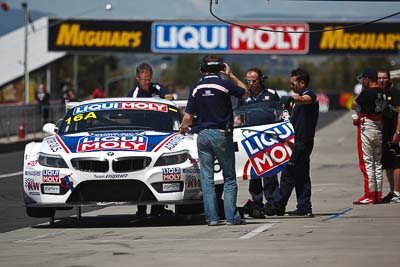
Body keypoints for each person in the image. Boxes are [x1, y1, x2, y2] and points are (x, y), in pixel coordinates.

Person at [179, 55, 249, 226]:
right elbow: (245, 92)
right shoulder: (225, 84)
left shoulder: (196, 87)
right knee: (229, 177)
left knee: (207, 179)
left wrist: (182, 128)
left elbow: (188, 116)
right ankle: (231, 217)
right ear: (220, 68)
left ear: (203, 69)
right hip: (221, 134)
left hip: (202, 136)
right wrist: (231, 75)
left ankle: (212, 218)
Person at [264, 68, 319, 217]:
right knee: (301, 175)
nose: (291, 86)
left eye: (293, 83)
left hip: (302, 142)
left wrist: (292, 98)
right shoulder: (296, 101)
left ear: (302, 83)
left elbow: (305, 100)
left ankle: (277, 205)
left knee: (288, 173)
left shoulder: (309, 95)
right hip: (292, 141)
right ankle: (304, 206)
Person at [128, 62, 174, 217]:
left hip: (159, 135)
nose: (147, 82)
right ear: (137, 78)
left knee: (158, 171)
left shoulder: (158, 88)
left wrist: (164, 97)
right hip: (139, 137)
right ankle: (141, 209)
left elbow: (169, 98)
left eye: (149, 79)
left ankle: (158, 208)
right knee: (141, 171)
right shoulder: (133, 95)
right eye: (144, 80)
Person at [236, 67, 280, 219]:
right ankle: (257, 202)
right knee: (254, 172)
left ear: (261, 79)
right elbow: (239, 117)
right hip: (250, 139)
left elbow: (281, 114)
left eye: (254, 80)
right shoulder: (244, 97)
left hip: (269, 138)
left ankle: (273, 202)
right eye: (248, 81)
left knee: (270, 172)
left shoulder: (272, 94)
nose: (251, 83)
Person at [352, 69, 386, 204]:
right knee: (377, 163)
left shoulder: (367, 92)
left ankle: (369, 194)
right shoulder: (382, 92)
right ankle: (378, 193)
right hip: (379, 126)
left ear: (367, 79)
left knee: (367, 162)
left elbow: (353, 104)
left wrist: (362, 91)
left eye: (363, 80)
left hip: (368, 126)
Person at [378, 69, 400, 203]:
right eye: (379, 78)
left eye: (384, 78)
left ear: (389, 79)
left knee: (397, 163)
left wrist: (398, 133)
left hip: (395, 134)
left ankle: (398, 193)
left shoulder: (396, 93)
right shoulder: (379, 94)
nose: (382, 80)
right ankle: (392, 191)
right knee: (388, 164)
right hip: (384, 135)